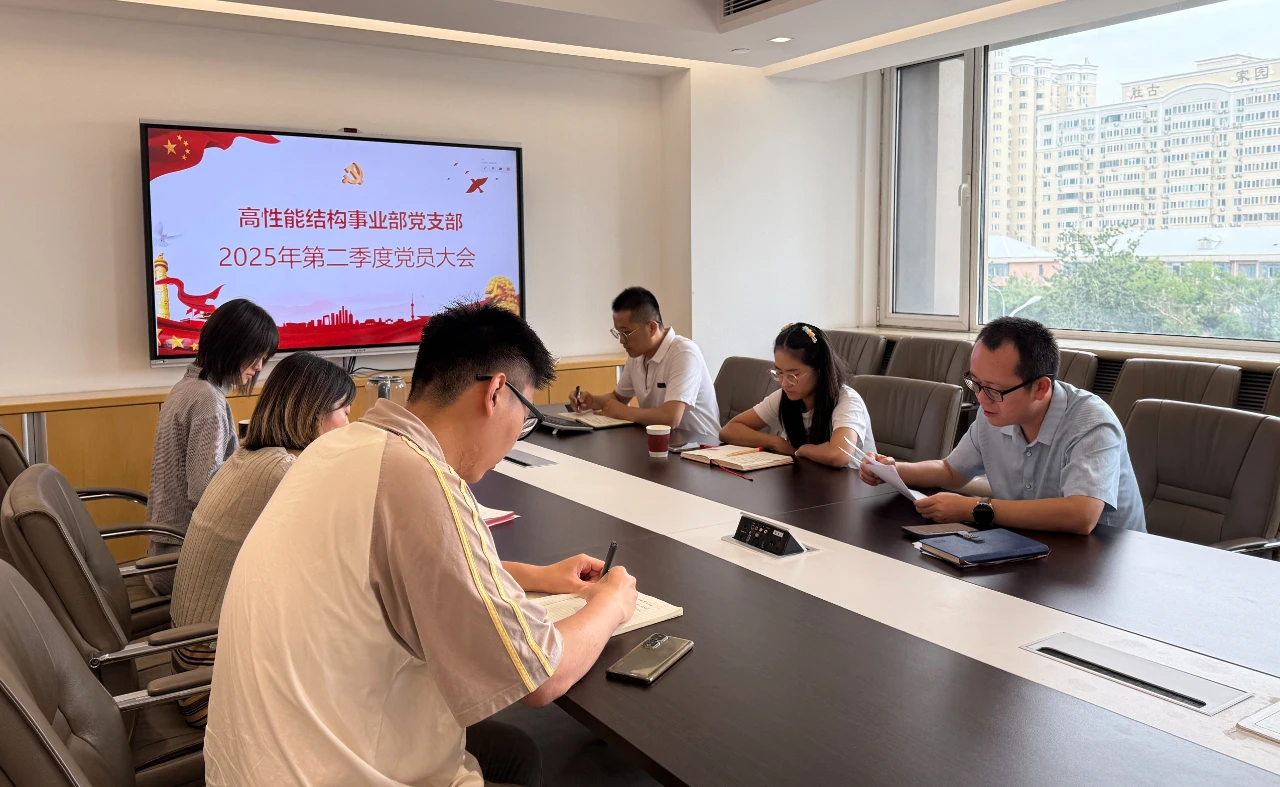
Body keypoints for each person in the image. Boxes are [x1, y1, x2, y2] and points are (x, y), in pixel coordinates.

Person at [205, 302, 639, 787]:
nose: (518, 435)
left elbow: (408, 575)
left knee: (515, 753)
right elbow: (541, 675)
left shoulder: (337, 448)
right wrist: (612, 603)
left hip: (252, 761)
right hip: (327, 770)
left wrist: (539, 577)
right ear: (496, 392)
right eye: (526, 416)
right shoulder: (416, 478)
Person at [167, 351, 355, 727]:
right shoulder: (284, 471)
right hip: (211, 683)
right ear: (313, 413)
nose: (350, 424)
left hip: (190, 657)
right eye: (345, 411)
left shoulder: (253, 456)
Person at [860, 317, 1145, 535]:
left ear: (1040, 387)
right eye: (975, 383)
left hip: (1104, 565)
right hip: (1029, 545)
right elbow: (951, 471)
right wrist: (893, 471)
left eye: (993, 389)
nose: (980, 398)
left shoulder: (1091, 422)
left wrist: (977, 509)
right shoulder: (994, 411)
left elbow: (1081, 514)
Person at [145, 298, 278, 594]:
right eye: (255, 356)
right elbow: (204, 491)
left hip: (163, 553)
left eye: (264, 358)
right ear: (231, 347)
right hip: (182, 561)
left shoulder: (187, 387)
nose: (258, 367)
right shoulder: (207, 400)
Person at [718, 323, 876, 468]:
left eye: (793, 375)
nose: (784, 383)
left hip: (851, 485)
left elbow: (839, 455)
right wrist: (775, 442)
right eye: (779, 372)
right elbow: (729, 430)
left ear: (819, 369)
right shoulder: (785, 397)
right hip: (809, 480)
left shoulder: (846, 401)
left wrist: (802, 450)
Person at [570, 286, 720, 436]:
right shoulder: (637, 355)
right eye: (618, 333)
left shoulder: (683, 353)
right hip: (662, 441)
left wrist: (623, 412)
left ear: (652, 328)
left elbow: (671, 418)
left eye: (626, 332)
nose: (622, 341)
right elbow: (619, 398)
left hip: (700, 445)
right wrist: (593, 401)